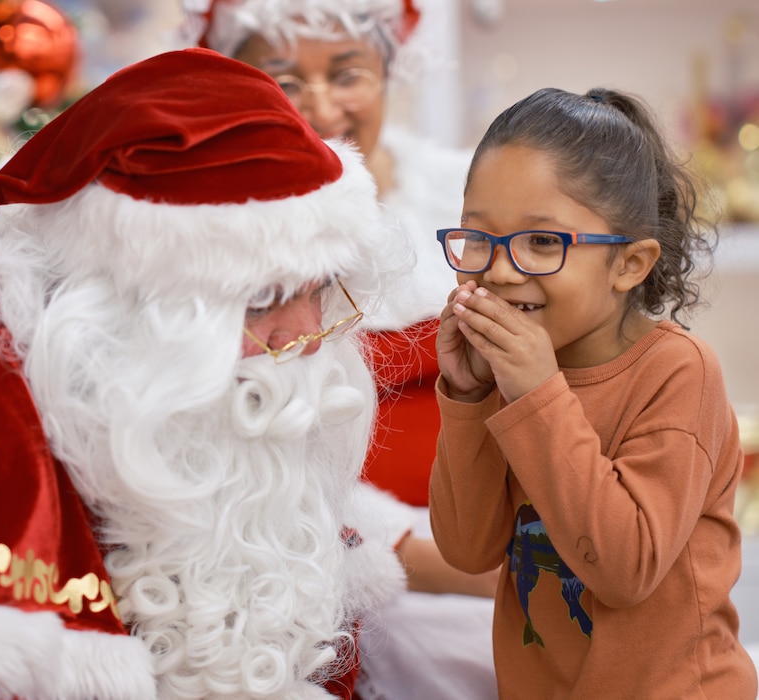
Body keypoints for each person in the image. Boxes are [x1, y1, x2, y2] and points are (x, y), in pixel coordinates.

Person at [0, 47, 413, 699]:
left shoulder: (168, 381)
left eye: (323, 285)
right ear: (132, 303)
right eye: (264, 297)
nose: (308, 334)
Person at [182, 2, 498, 698]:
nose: (319, 106)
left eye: (347, 73)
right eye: (284, 80)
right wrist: (463, 568)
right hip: (352, 564)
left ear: (389, 74)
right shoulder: (217, 236)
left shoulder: (472, 196)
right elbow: (253, 461)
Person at [429, 85, 759, 698]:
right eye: (479, 238)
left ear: (629, 265)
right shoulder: (513, 371)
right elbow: (467, 549)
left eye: (542, 243)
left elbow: (626, 568)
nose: (500, 270)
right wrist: (468, 397)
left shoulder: (678, 373)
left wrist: (534, 394)